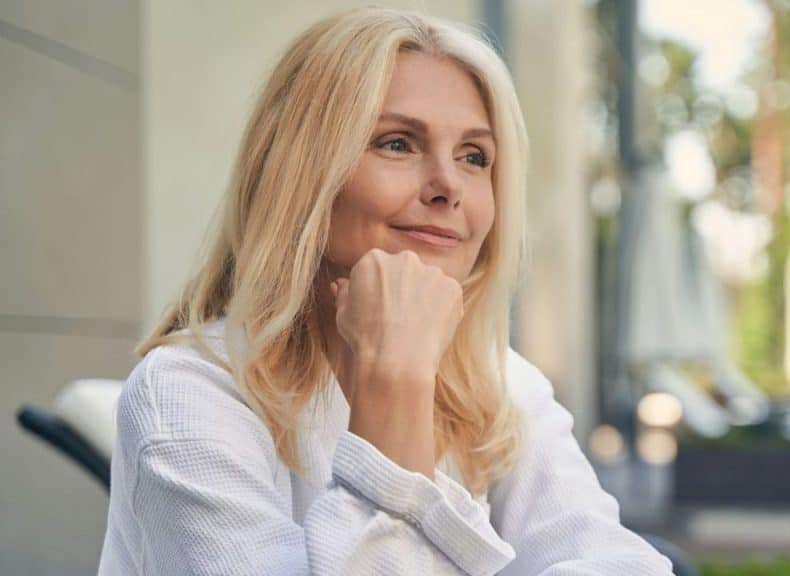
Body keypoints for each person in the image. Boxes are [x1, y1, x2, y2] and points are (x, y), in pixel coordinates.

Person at [98, 7, 673, 575]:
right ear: (300, 174)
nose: (449, 186)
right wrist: (394, 381)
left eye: (475, 157)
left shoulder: (501, 387)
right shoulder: (188, 396)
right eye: (397, 143)